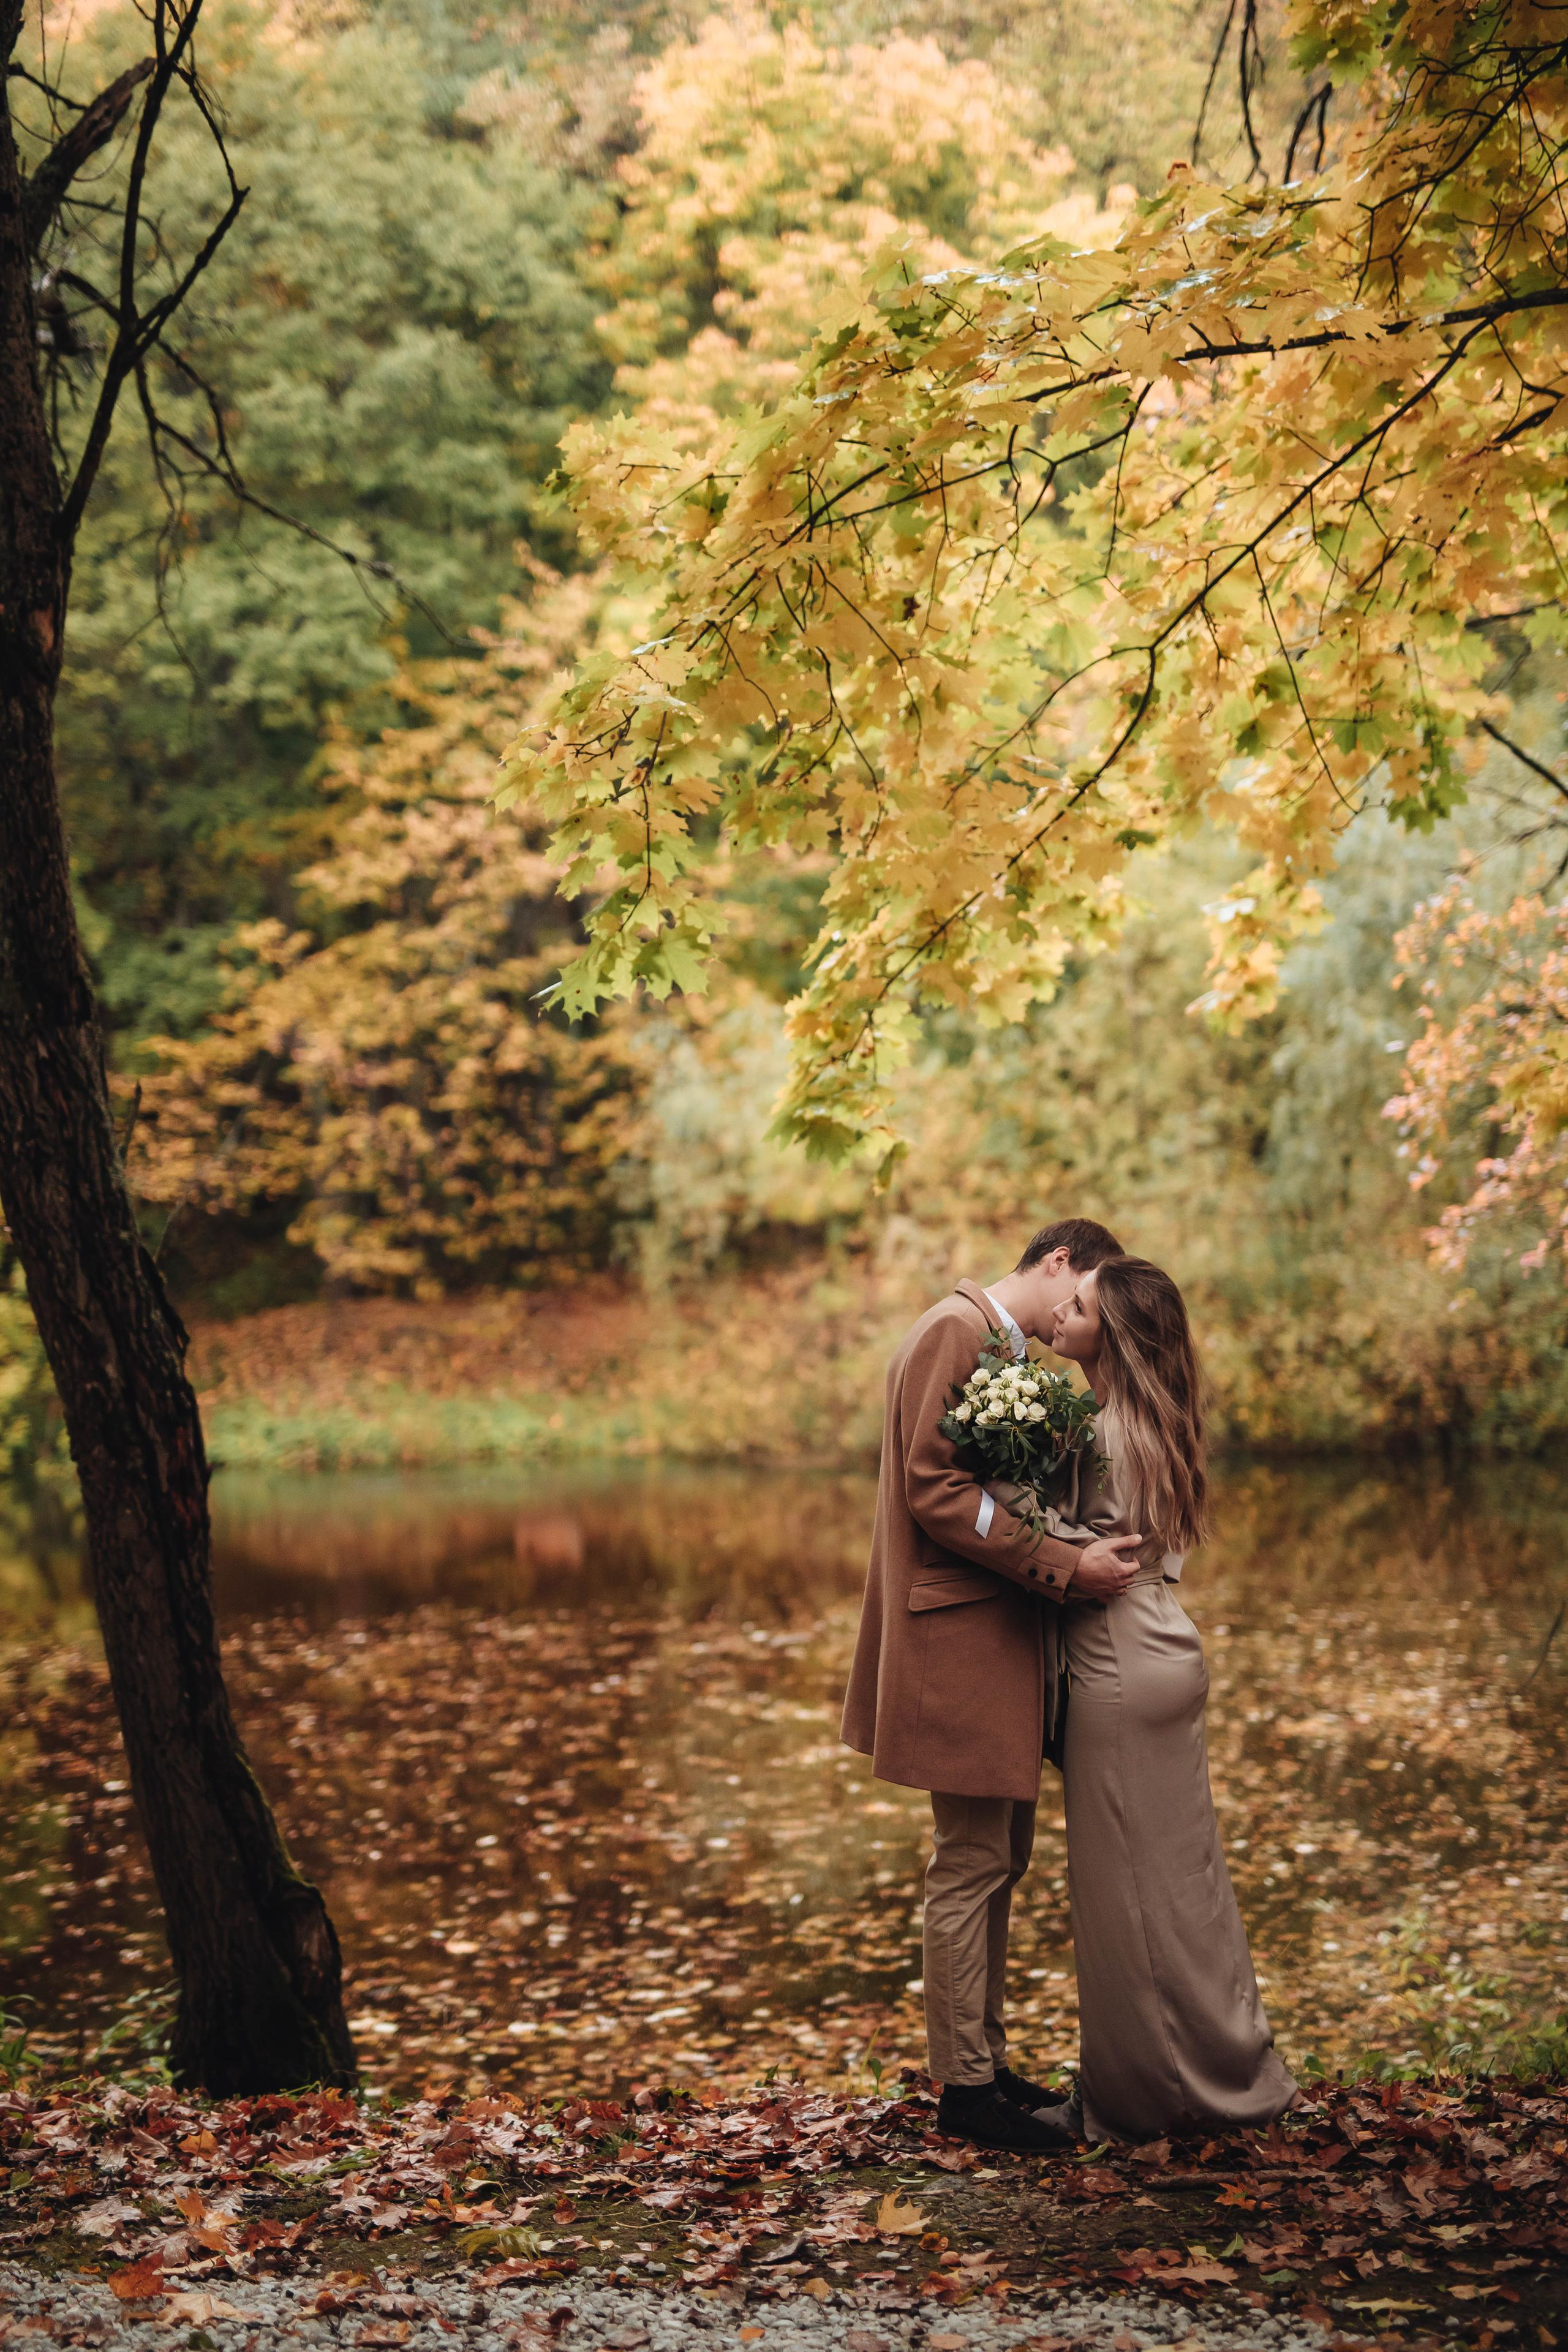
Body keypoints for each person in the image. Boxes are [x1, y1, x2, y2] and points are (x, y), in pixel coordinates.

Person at [839, 1218, 1145, 2154]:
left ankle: (983, 2061)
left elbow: (989, 1485)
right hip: (955, 1642)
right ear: (1060, 1262)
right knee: (970, 1866)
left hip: (990, 1639)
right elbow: (937, 1488)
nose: (1084, 1314)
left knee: (997, 1861)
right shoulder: (955, 1332)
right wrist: (1061, 1560)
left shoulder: (1000, 1346)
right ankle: (965, 2095)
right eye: (1087, 1289)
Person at [1046, 1254, 1297, 2142]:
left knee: (1126, 1895)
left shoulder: (1094, 1432)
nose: (1059, 1312)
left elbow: (1064, 1558)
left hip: (1115, 1657)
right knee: (1187, 1881)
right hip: (1167, 1644)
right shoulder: (1161, 1423)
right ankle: (1230, 2069)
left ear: (1108, 1332)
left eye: (1077, 1305)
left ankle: (1152, 2097)